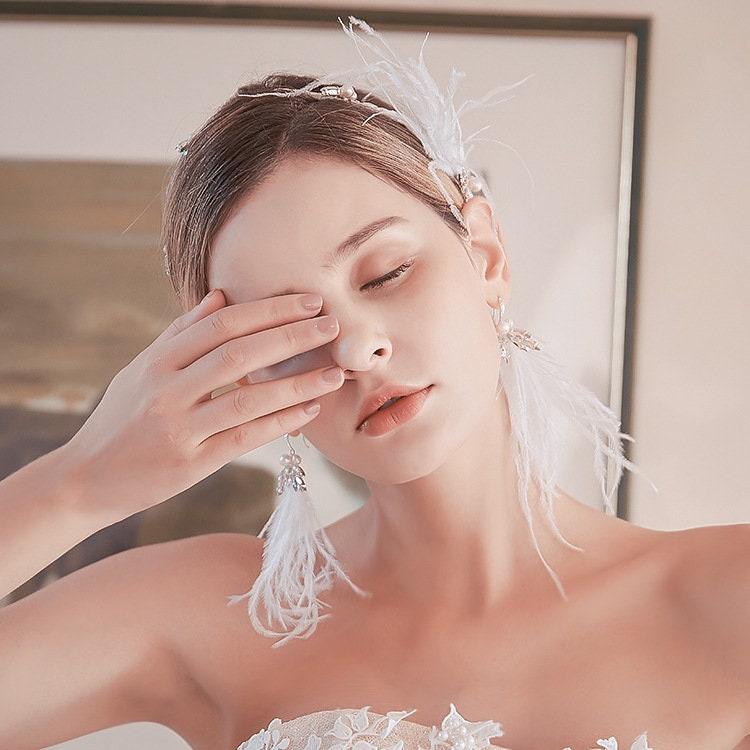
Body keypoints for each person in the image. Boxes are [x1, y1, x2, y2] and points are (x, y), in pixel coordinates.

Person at [0, 18, 748, 750]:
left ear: (486, 255)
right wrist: (78, 482)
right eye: (283, 329)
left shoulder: (728, 596)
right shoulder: (204, 614)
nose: (358, 350)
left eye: (386, 273)